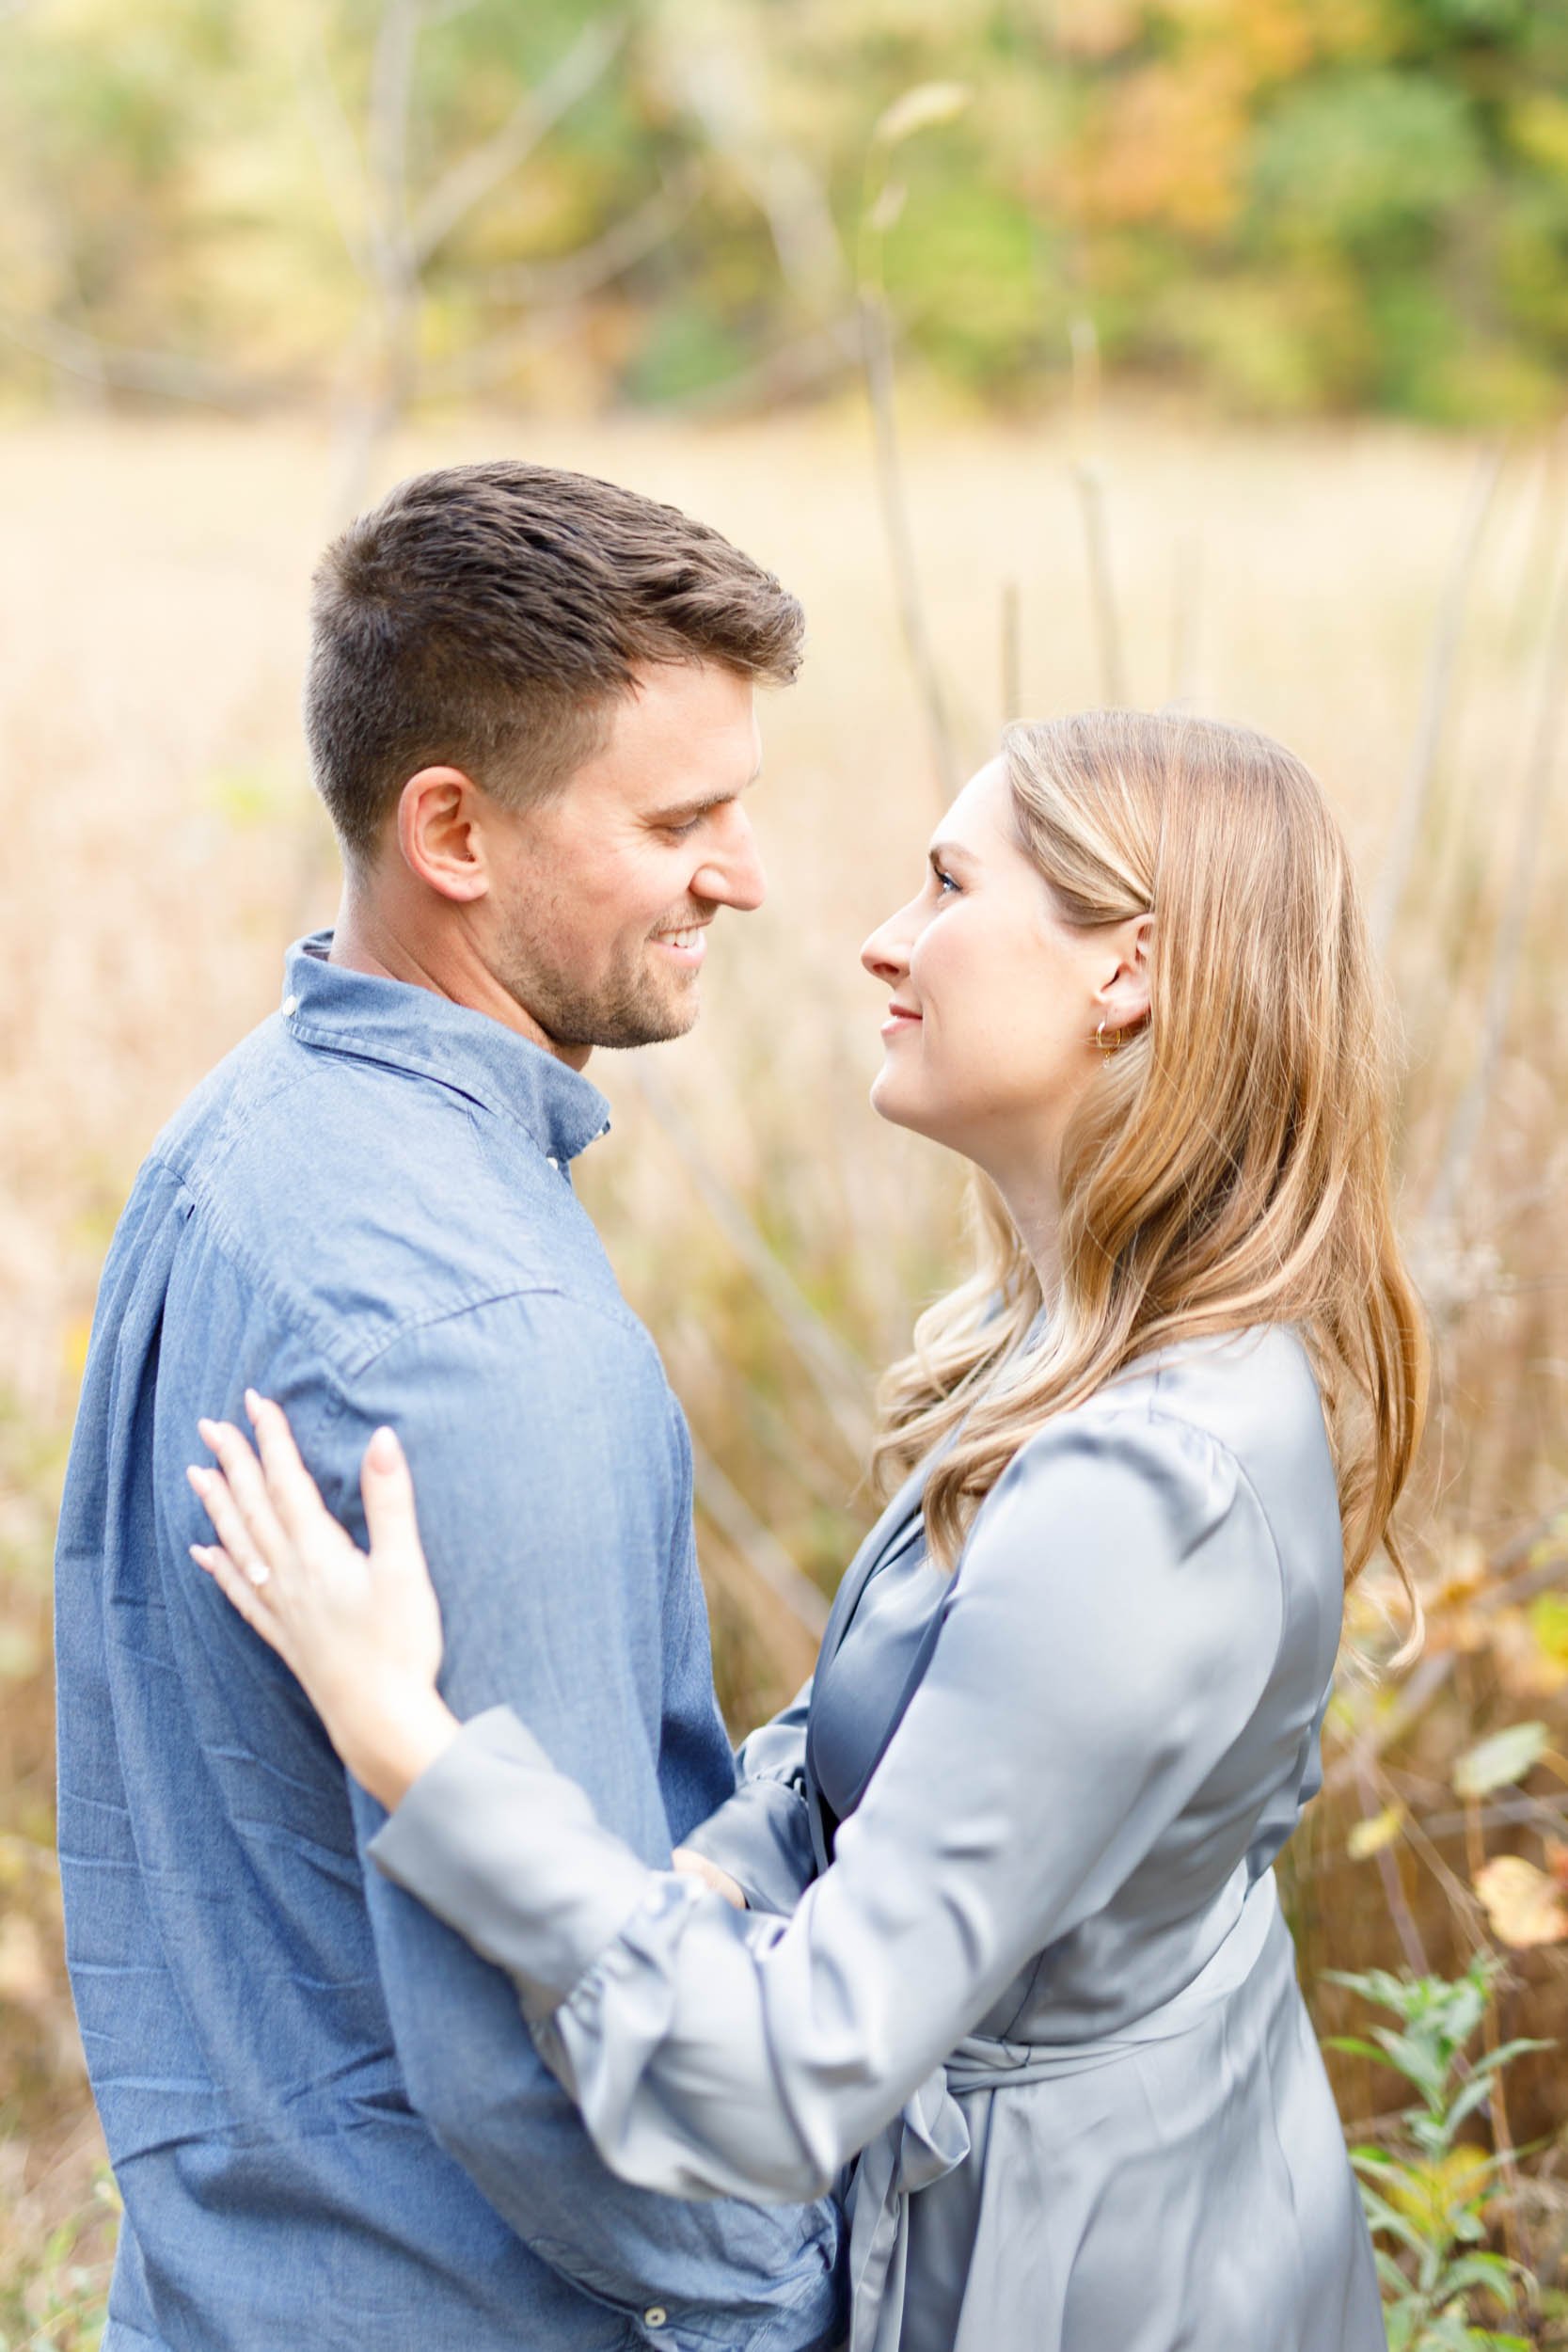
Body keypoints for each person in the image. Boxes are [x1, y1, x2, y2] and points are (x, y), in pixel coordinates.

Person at [187, 707, 1429, 2352]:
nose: (878, 939)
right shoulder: (1055, 1340)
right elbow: (881, 1762)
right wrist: (686, 1880)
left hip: (1095, 2279)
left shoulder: (1155, 1495)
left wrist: (411, 1742)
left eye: (947, 885)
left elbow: (783, 2080)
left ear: (1125, 970)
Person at [54, 461, 845, 2352]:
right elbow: (546, 2039)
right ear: (455, 832)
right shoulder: (476, 1330)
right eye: (682, 817)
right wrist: (782, 2296)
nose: (745, 871)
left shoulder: (238, 1136)